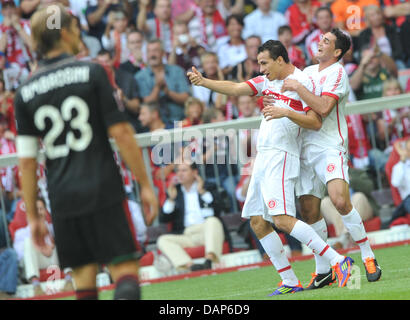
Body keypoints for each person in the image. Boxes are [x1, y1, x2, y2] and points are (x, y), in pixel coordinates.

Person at [14, 5, 158, 300]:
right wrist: (144, 183)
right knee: (126, 275)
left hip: (63, 198)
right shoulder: (92, 72)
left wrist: (33, 217)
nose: (80, 32)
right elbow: (121, 133)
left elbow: (27, 163)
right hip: (103, 187)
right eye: (76, 27)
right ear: (64, 32)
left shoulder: (25, 91)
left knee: (84, 284)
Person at [188, 39, 354, 295]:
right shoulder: (267, 81)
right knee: (257, 222)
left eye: (264, 63)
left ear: (280, 59)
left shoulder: (302, 82)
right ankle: (289, 280)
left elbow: (315, 121)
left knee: (283, 220)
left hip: (283, 155)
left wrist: (285, 112)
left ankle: (338, 261)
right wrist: (204, 82)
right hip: (264, 156)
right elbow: (235, 88)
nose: (261, 68)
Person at [277, 28, 381, 288]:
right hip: (304, 148)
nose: (319, 43)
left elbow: (323, 108)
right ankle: (323, 269)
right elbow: (284, 78)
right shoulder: (309, 72)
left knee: (339, 200)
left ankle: (368, 254)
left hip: (329, 146)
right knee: (309, 211)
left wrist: (298, 87)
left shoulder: (338, 73)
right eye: (320, 38)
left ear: (336, 52)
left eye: (326, 41)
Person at [157, 161, 226, 272]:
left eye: (184, 170)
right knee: (163, 240)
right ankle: (191, 266)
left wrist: (202, 192)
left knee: (212, 220)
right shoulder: (176, 192)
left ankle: (208, 261)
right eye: (178, 171)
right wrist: (171, 199)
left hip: (207, 230)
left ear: (194, 172)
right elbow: (163, 219)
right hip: (187, 235)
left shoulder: (208, 187)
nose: (180, 174)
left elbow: (221, 208)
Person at [135, 39, 191, 125]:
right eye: (149, 51)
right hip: (155, 125)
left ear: (163, 53)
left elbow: (186, 98)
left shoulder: (177, 71)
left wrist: (167, 91)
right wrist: (157, 87)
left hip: (179, 121)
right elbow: (146, 103)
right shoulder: (140, 76)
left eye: (155, 50)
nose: (152, 54)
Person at [389, 138, 410, 224]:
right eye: (409, 150)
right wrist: (402, 160)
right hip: (407, 200)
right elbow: (395, 183)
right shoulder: (398, 167)